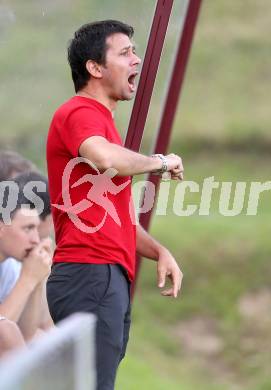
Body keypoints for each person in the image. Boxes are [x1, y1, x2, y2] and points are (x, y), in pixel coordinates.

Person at [46, 20, 184, 390]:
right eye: (125, 53)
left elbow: (118, 219)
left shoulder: (102, 123)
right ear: (94, 68)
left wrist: (159, 251)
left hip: (101, 275)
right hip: (90, 272)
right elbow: (106, 158)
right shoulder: (81, 113)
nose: (136, 60)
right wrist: (161, 161)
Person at [0, 179, 52, 343]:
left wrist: (37, 280)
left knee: (41, 340)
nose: (36, 240)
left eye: (36, 228)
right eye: (28, 228)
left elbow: (25, 335)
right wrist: (27, 280)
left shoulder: (8, 265)